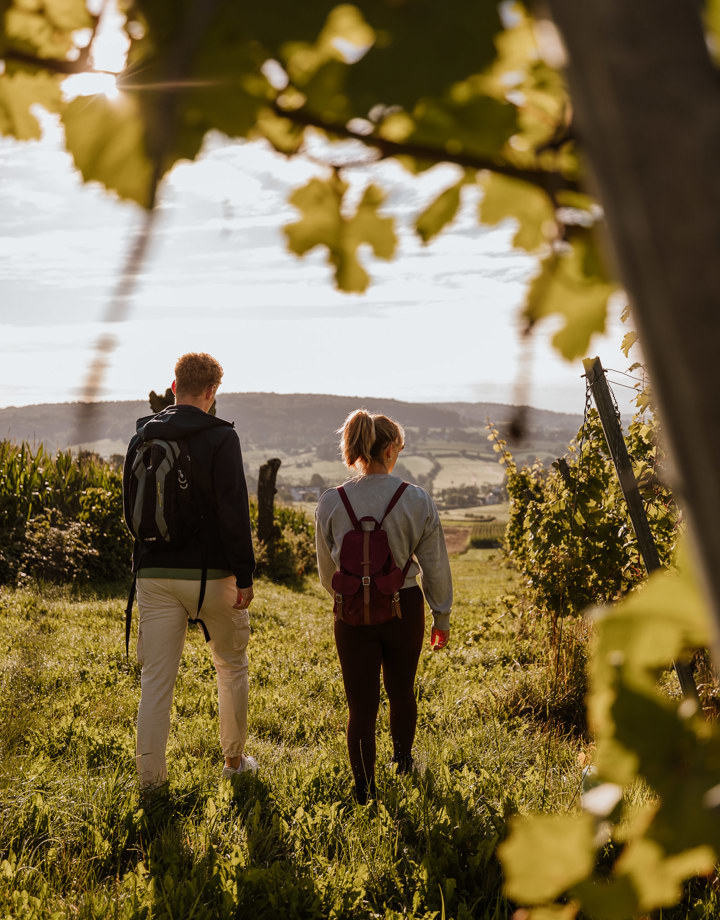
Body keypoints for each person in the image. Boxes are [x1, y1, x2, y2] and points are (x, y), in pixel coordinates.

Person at [122, 352, 256, 792]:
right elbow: (234, 512)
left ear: (173, 385)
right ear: (212, 392)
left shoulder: (142, 435)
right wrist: (245, 574)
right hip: (212, 576)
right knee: (231, 667)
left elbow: (131, 512)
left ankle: (150, 783)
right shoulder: (221, 437)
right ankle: (234, 763)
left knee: (156, 681)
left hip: (154, 573)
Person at [315, 409, 452, 804]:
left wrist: (353, 599)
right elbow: (435, 567)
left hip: (352, 612)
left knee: (360, 707)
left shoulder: (332, 502)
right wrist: (440, 615)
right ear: (391, 448)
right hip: (404, 607)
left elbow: (328, 576)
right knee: (401, 691)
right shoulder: (416, 498)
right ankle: (403, 761)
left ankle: (364, 790)